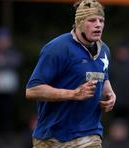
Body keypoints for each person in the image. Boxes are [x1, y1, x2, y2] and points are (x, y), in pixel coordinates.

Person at [25, 0, 116, 147]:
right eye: (92, 20)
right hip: (52, 137)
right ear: (79, 23)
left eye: (101, 20)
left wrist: (110, 94)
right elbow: (32, 90)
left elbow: (103, 78)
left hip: (89, 134)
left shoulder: (104, 50)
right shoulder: (57, 48)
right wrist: (73, 94)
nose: (98, 24)